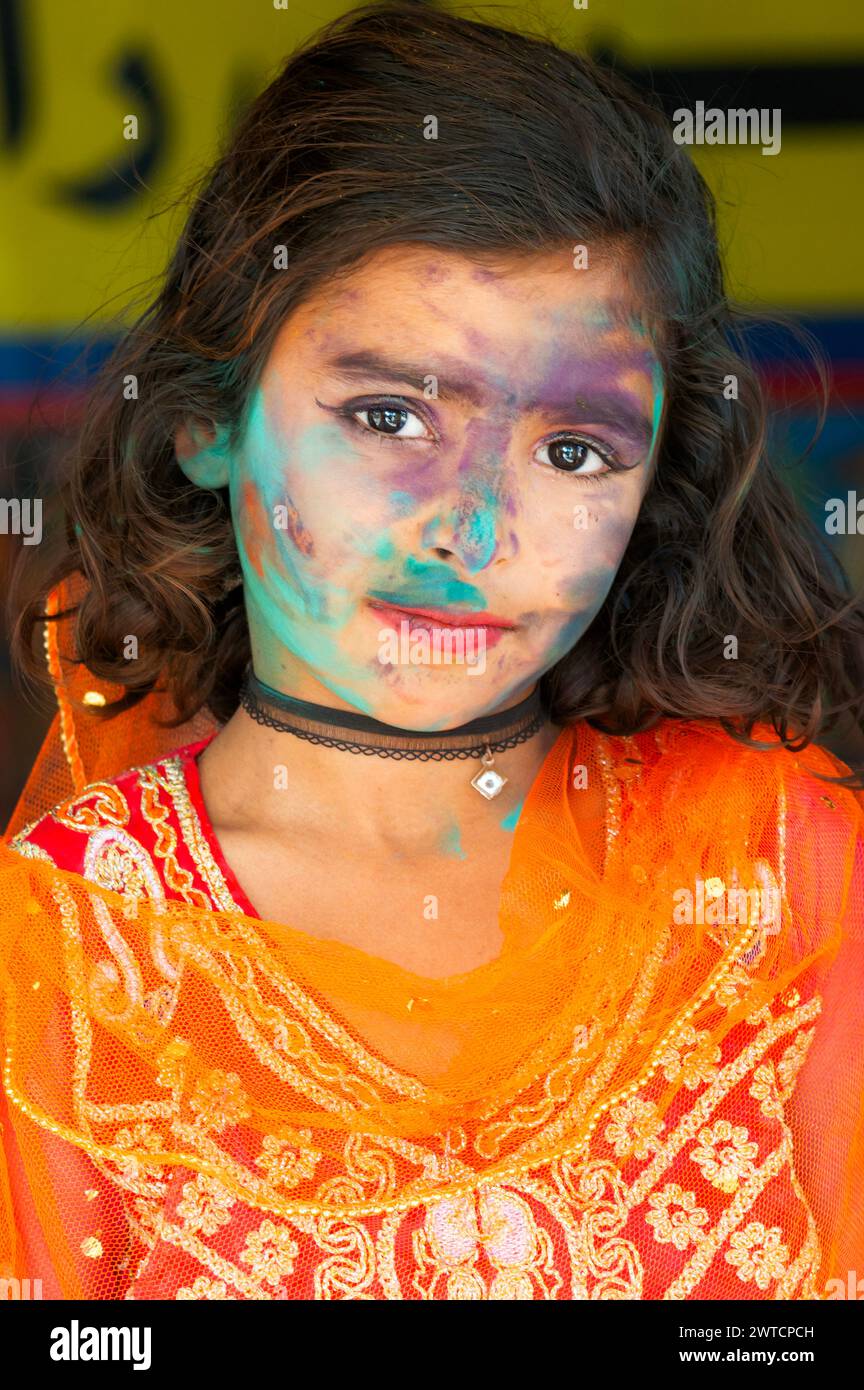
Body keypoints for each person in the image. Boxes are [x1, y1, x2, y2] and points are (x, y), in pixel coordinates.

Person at [2, 1, 863, 1302]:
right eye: (388, 413)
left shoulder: (781, 870)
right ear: (209, 422)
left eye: (572, 449)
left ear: (653, 486)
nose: (470, 529)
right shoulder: (59, 948)